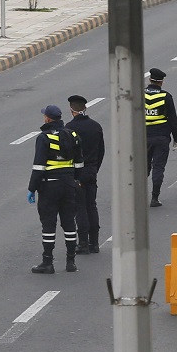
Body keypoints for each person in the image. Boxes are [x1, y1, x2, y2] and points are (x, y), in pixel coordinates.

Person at [27, 104, 82, 274]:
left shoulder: (44, 138)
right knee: (69, 222)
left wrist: (32, 188)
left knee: (48, 224)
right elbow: (79, 162)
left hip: (50, 185)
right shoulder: (72, 134)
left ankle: (48, 262)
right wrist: (76, 180)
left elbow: (38, 166)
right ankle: (71, 261)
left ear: (48, 118)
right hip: (68, 184)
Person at [65, 95, 105, 254]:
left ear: (71, 110)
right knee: (92, 205)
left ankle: (82, 244)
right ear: (85, 108)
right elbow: (101, 151)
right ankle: (94, 243)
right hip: (92, 171)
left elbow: (68, 153)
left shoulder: (69, 128)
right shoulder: (96, 126)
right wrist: (94, 168)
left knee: (80, 207)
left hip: (77, 173)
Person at [143, 68, 177, 208]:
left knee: (143, 168)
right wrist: (176, 138)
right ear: (161, 82)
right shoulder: (166, 96)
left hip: (143, 138)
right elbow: (173, 119)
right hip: (161, 137)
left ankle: (138, 196)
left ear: (149, 80)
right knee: (158, 167)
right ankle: (155, 198)